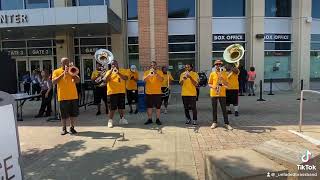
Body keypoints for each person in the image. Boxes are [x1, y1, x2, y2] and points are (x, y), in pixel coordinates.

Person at [52, 57, 80, 135]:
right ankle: (64, 128)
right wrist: (63, 74)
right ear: (61, 63)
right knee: (63, 115)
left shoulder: (72, 70)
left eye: (67, 62)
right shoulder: (56, 71)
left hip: (73, 96)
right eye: (64, 62)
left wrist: (72, 74)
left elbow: (78, 81)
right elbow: (54, 82)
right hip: (63, 96)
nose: (66, 64)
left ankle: (72, 127)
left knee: (73, 114)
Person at [208, 60, 233, 130]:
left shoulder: (224, 73)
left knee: (224, 109)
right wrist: (213, 87)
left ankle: (226, 123)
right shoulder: (212, 73)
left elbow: (227, 84)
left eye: (219, 64)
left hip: (222, 93)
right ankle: (214, 122)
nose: (218, 65)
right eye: (217, 64)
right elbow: (209, 83)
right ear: (215, 65)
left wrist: (222, 78)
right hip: (214, 93)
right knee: (214, 109)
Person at [103, 60, 128, 128]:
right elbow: (105, 80)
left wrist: (118, 73)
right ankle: (110, 121)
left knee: (121, 107)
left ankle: (122, 119)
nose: (114, 65)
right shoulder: (108, 72)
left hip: (121, 92)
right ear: (111, 65)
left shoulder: (123, 70)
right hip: (112, 92)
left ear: (117, 64)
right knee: (112, 108)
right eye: (112, 64)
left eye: (115, 64)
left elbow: (126, 78)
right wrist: (111, 71)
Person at [143, 61, 164, 125]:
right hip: (149, 92)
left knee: (158, 107)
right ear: (150, 66)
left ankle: (157, 119)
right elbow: (144, 80)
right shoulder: (146, 72)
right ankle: (150, 119)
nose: (153, 66)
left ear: (156, 66)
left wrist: (156, 74)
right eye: (151, 65)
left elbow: (161, 80)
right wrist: (149, 75)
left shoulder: (160, 72)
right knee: (149, 107)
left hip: (157, 92)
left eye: (154, 65)